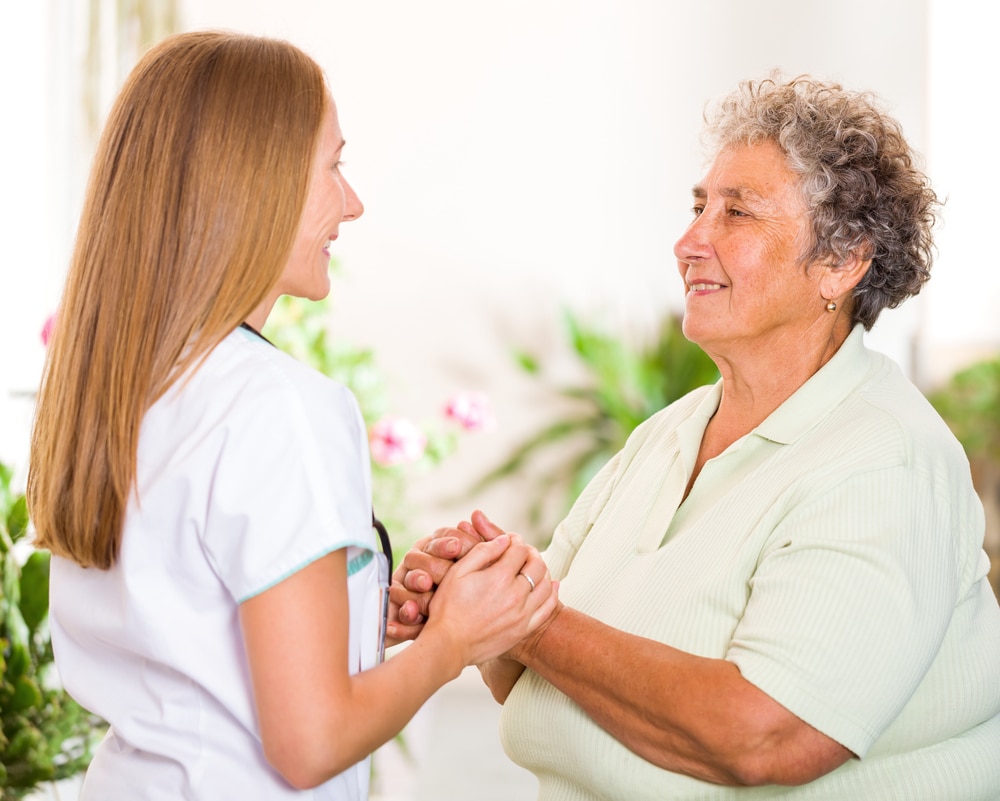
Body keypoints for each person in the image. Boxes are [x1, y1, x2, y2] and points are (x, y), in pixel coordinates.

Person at [391, 75, 1000, 800]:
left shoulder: (885, 461)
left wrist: (524, 618)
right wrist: (482, 595)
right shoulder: (668, 436)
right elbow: (523, 675)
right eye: (698, 206)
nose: (688, 243)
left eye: (737, 213)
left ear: (842, 261)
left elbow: (770, 734)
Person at [26, 31, 556, 801]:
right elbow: (308, 744)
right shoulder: (277, 405)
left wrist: (357, 619)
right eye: (334, 166)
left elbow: (189, 640)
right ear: (255, 184)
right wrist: (453, 642)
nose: (353, 201)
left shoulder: (116, 385)